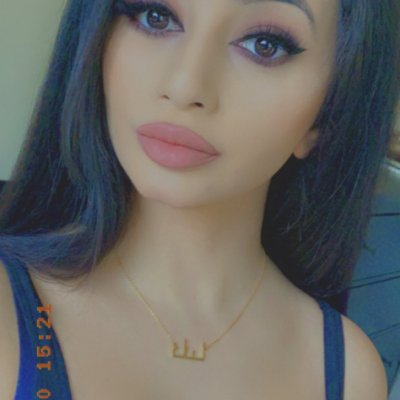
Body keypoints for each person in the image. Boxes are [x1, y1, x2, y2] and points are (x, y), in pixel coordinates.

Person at [0, 0, 399, 398]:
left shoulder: (348, 376)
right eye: (156, 17)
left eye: (264, 45)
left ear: (328, 112)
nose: (185, 86)